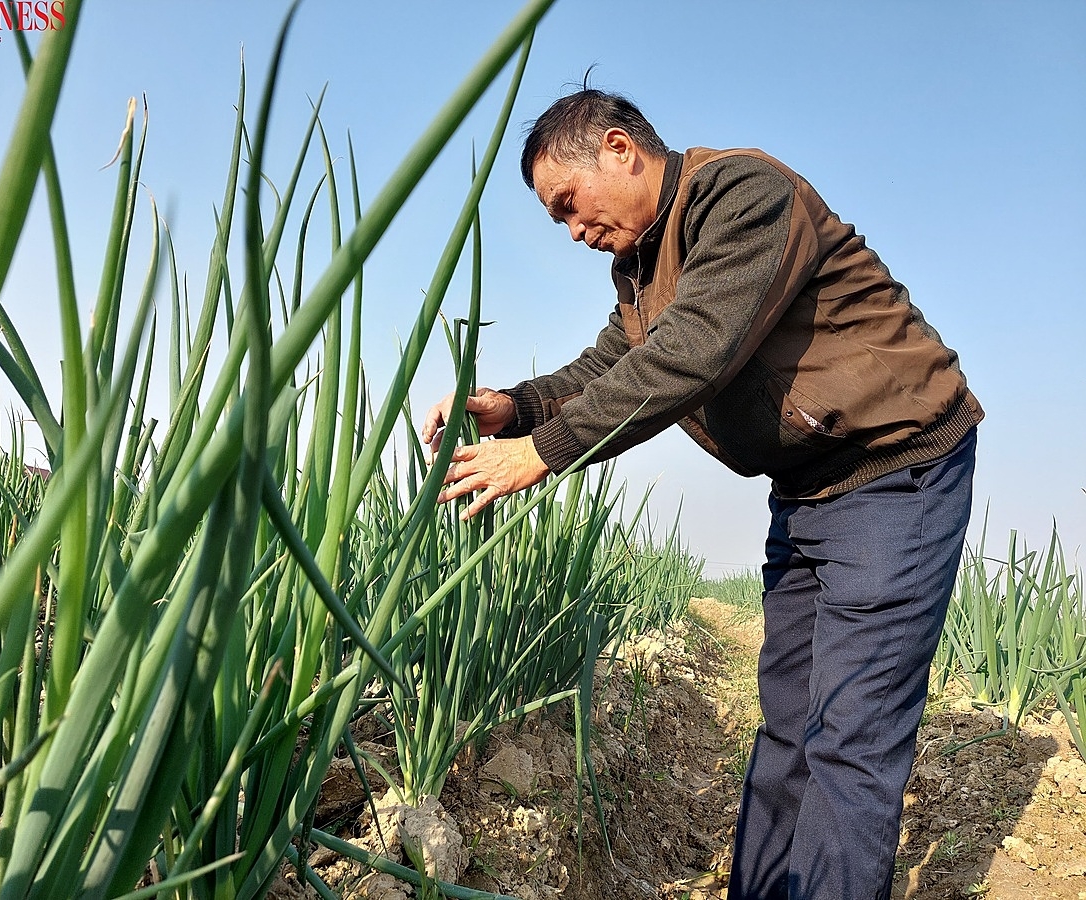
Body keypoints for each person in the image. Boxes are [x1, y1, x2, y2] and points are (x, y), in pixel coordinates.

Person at [420, 88, 981, 900]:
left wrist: (540, 454)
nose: (572, 232)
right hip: (807, 491)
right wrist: (515, 406)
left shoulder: (744, 195)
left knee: (849, 742)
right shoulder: (641, 268)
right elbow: (610, 364)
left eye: (568, 204)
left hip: (893, 472)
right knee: (790, 727)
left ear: (618, 149)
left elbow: (691, 354)